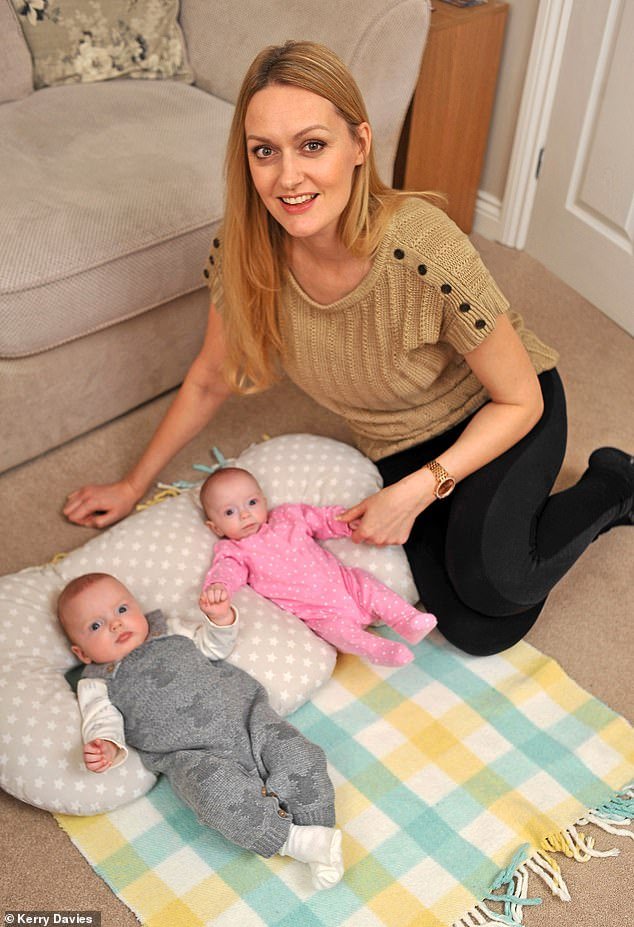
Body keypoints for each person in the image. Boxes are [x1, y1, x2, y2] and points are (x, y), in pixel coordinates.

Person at [64, 41, 633, 657]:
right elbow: (210, 376)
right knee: (478, 629)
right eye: (265, 151)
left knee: (501, 584)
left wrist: (416, 491)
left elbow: (519, 400)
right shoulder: (244, 252)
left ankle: (613, 482)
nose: (288, 178)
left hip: (501, 413)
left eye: (312, 145)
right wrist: (132, 485)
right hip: (400, 440)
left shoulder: (422, 249)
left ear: (359, 144)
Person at [57, 572, 344, 888]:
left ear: (137, 607)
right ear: (82, 654)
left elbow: (215, 646)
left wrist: (220, 619)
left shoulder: (170, 629)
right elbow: (101, 719)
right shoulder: (96, 682)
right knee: (214, 795)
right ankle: (295, 840)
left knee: (299, 755)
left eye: (122, 610)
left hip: (248, 718)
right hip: (192, 756)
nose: (115, 624)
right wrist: (106, 745)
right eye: (95, 626)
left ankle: (320, 826)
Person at [198, 466, 436, 666]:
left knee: (367, 582)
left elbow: (323, 520)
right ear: (215, 527)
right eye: (229, 512)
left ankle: (407, 620)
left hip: (346, 585)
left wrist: (348, 523)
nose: (245, 514)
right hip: (319, 614)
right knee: (338, 633)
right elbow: (227, 571)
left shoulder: (287, 516)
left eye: (252, 502)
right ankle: (380, 650)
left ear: (264, 500)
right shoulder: (234, 550)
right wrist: (219, 586)